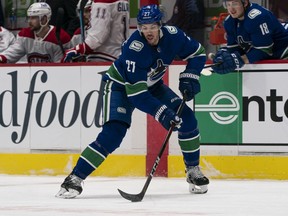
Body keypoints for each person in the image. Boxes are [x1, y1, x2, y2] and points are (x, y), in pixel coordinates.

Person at [56, 4, 209, 199]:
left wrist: (190, 75)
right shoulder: (134, 48)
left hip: (152, 85)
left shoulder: (174, 35)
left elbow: (198, 53)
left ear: (160, 25)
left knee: (186, 117)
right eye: (143, 27)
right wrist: (163, 114)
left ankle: (193, 170)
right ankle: (75, 178)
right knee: (114, 133)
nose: (147, 32)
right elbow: (137, 96)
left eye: (152, 27)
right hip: (119, 86)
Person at [211, 0, 288, 74]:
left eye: (235, 4)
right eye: (228, 5)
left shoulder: (257, 18)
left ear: (245, 3)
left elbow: (265, 51)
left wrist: (238, 60)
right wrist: (224, 57)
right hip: (274, 54)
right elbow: (234, 50)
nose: (231, 9)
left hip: (284, 50)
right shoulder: (229, 22)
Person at [0, 2, 71, 63]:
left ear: (44, 19)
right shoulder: (24, 35)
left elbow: (60, 67)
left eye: (33, 18)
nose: (29, 22)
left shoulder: (60, 37)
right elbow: (11, 54)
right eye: (29, 18)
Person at [62, 0, 129, 62]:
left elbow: (97, 37)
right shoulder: (124, 1)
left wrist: (78, 49)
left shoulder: (103, 2)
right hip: (120, 54)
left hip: (105, 56)